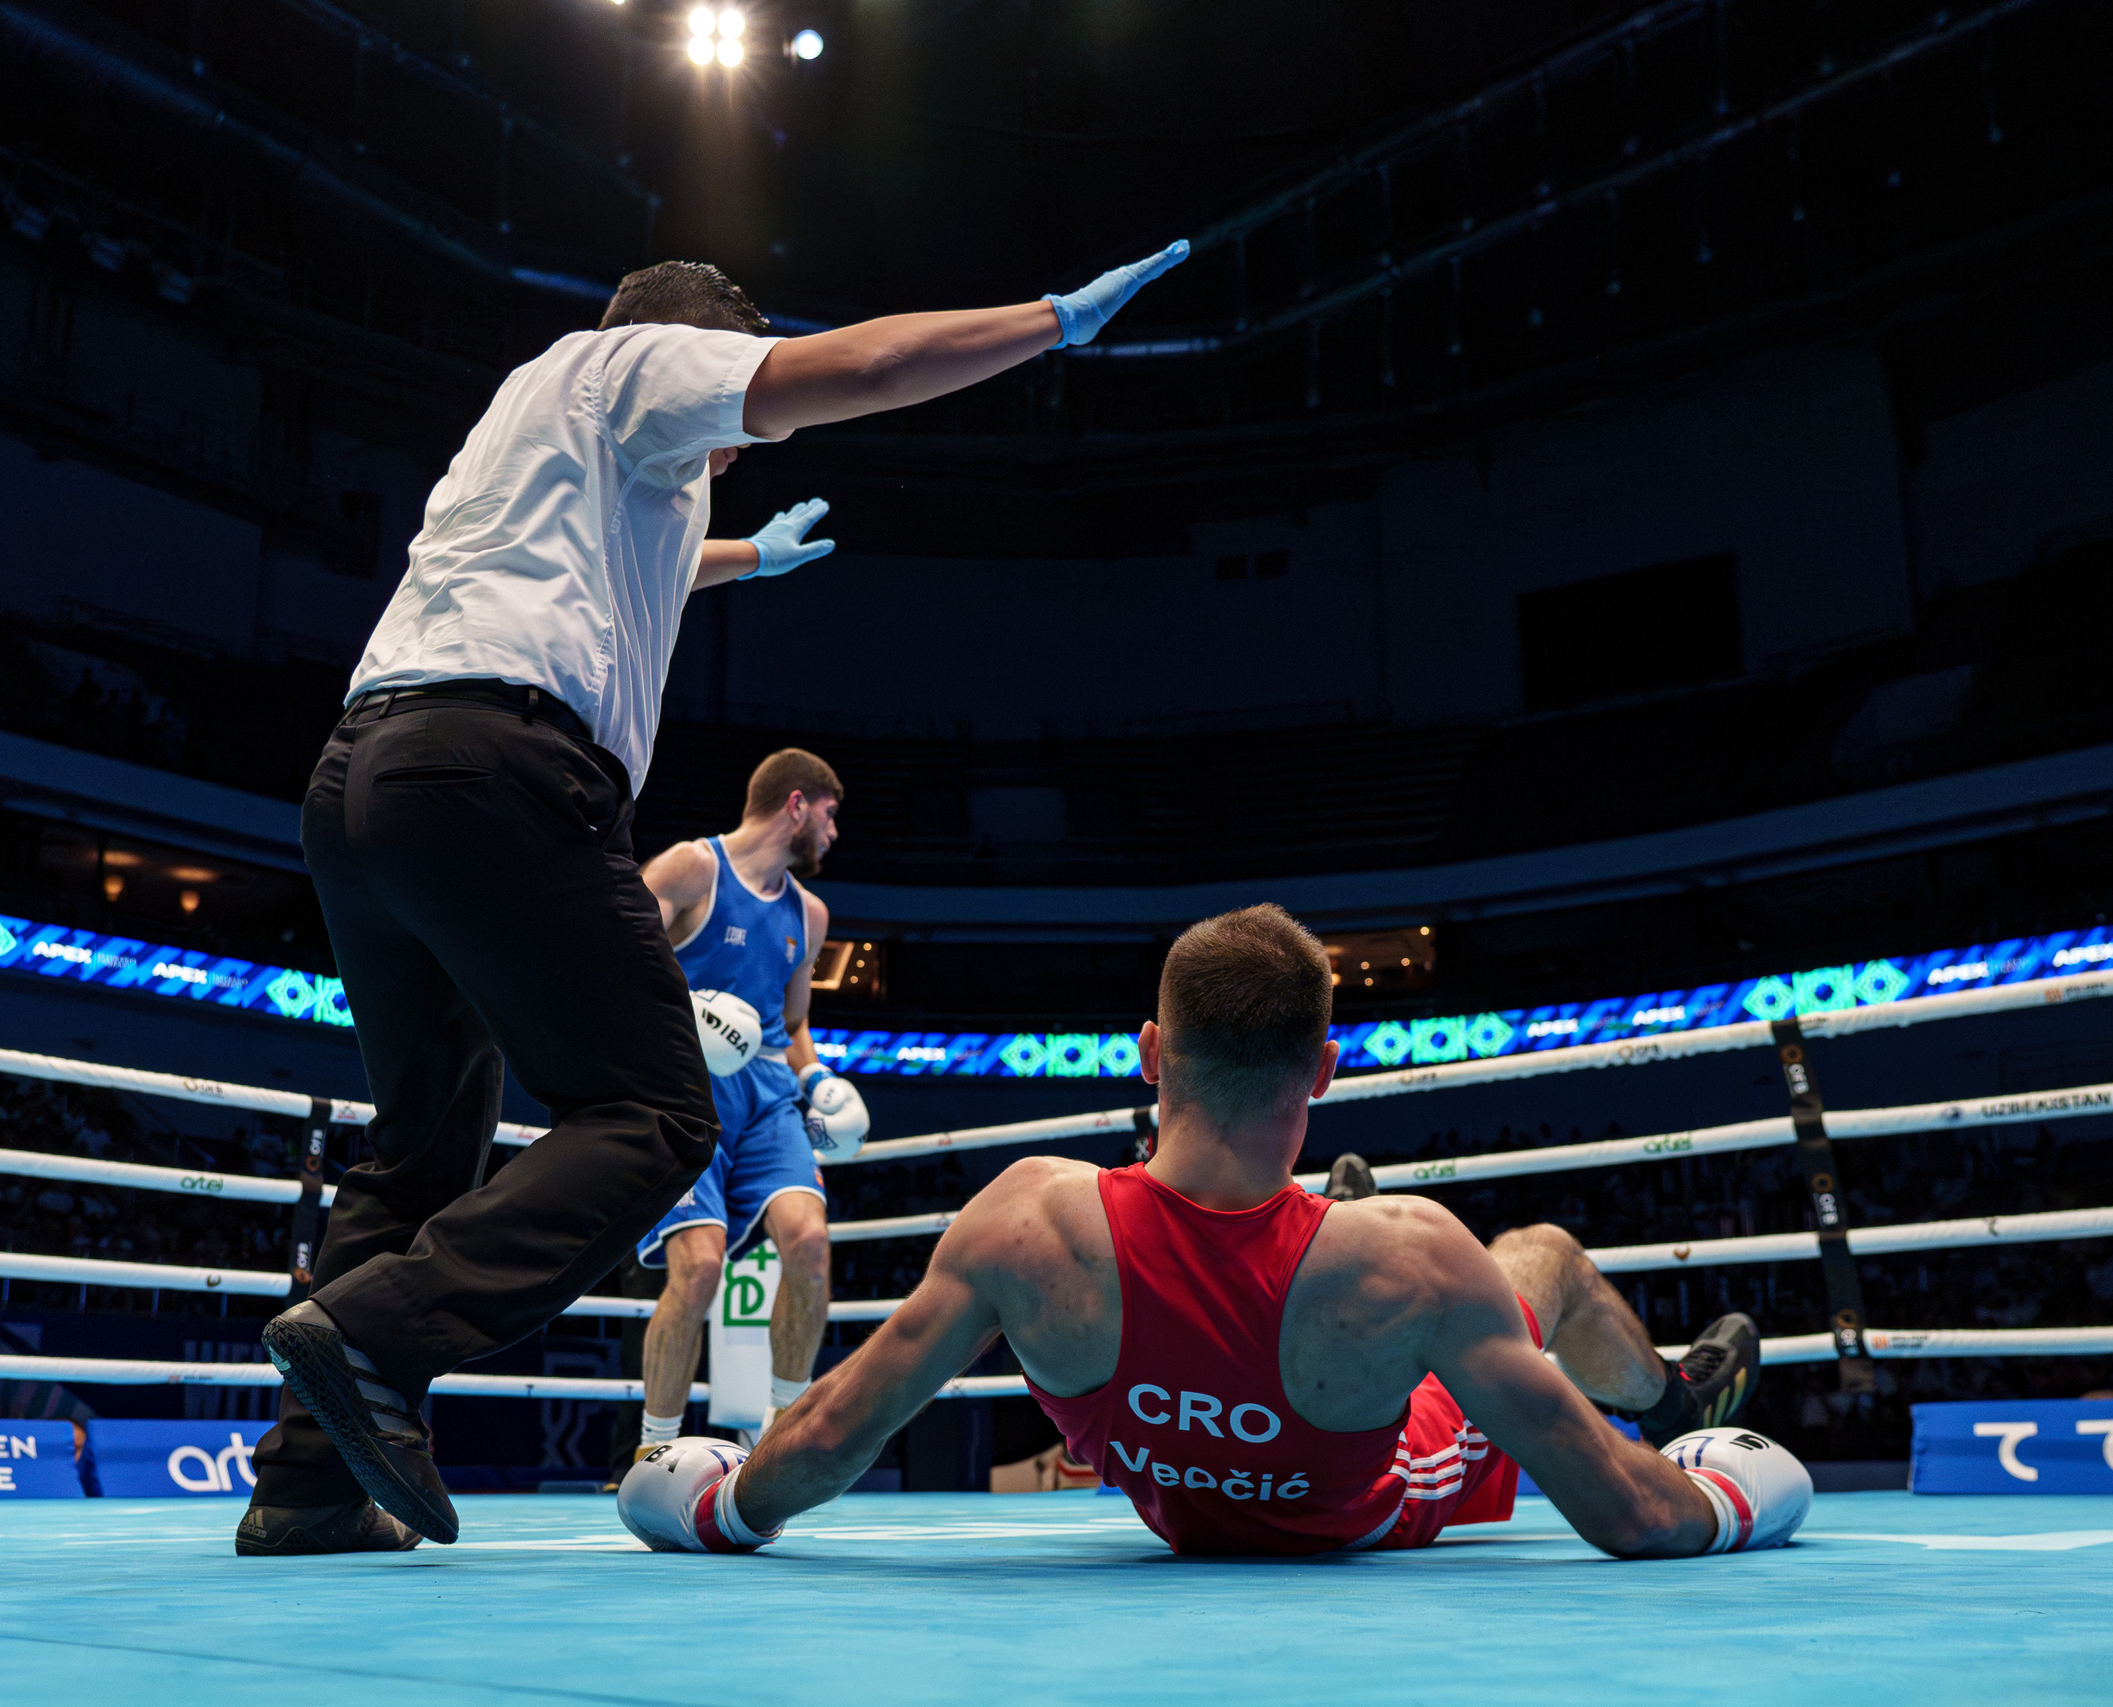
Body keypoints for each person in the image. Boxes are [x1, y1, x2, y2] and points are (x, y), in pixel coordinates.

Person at [239, 242, 1195, 1557]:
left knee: (422, 1141)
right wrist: (1047, 324)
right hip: (501, 771)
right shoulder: (638, 361)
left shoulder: (536, 411)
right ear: (694, 343)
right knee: (653, 1115)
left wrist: (747, 556)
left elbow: (626, 569)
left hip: (363, 776)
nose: (735, 447)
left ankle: (304, 1489)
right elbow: (868, 364)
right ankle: (376, 1335)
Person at [621, 905, 1809, 1560]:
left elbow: (832, 1432)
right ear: (1324, 1071)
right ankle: (1673, 1405)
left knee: (1416, 1272)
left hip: (1175, 1502)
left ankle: (1657, 1392)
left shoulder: (1026, 1221)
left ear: (1149, 1054)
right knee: (1535, 1257)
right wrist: (1738, 1496)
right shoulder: (1419, 1256)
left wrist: (718, 1507)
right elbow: (1635, 1516)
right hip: (1367, 1498)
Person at [633, 748, 865, 1452]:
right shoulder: (692, 868)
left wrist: (818, 1080)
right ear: (796, 805)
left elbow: (792, 1025)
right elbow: (614, 958)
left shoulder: (810, 915)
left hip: (768, 1094)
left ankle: (783, 1441)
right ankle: (654, 1448)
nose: (834, 831)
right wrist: (688, 1010)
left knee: (811, 1243)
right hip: (684, 1085)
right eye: (829, 814)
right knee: (699, 1267)